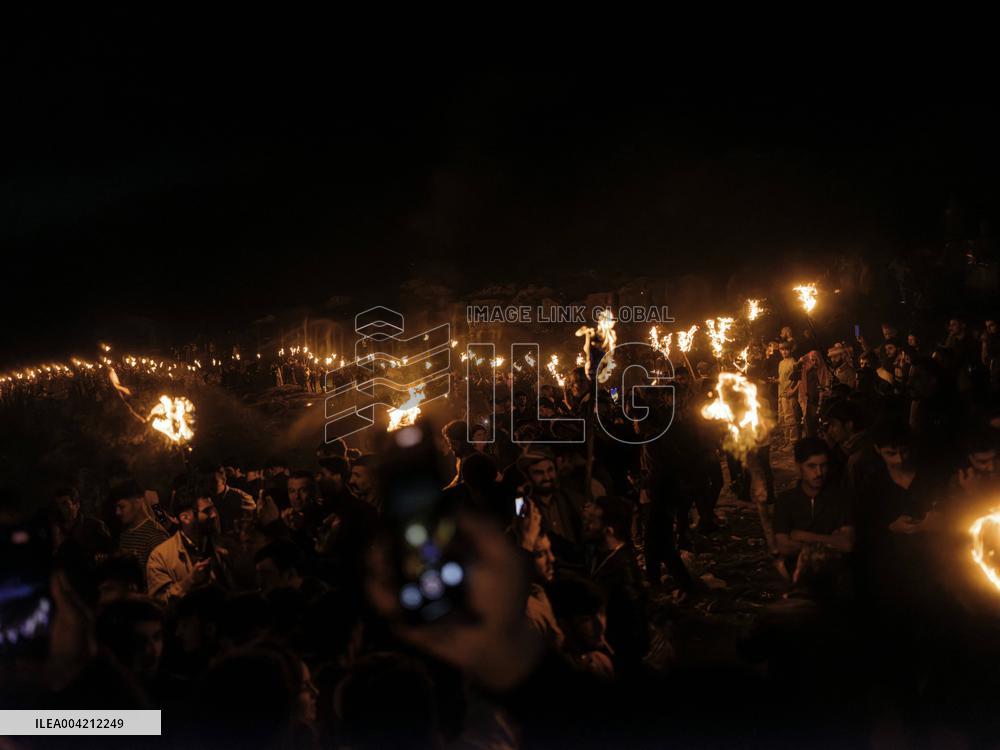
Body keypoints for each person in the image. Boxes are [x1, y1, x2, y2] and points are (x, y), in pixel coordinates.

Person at [773, 439, 854, 578]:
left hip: (834, 575)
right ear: (799, 467)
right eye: (811, 466)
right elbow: (784, 546)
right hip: (796, 575)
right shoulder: (785, 500)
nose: (819, 473)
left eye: (823, 465)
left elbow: (846, 544)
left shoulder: (840, 498)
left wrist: (803, 536)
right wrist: (829, 540)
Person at [146, 492, 231, 603]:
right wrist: (190, 581)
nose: (214, 515)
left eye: (213, 509)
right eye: (207, 511)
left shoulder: (224, 545)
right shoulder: (160, 556)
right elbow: (160, 602)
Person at [114, 481, 169, 582]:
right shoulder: (124, 532)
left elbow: (163, 521)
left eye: (122, 507)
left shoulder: (155, 536)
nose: (117, 512)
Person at [52, 485, 112, 558]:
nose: (61, 508)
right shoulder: (55, 527)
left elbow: (109, 553)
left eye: (65, 504)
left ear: (76, 505)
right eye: (58, 504)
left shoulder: (95, 526)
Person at [777, 342, 800, 446]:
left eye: (786, 349)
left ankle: (793, 442)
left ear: (790, 350)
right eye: (782, 350)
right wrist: (776, 380)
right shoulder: (781, 363)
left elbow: (798, 379)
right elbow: (783, 379)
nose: (784, 352)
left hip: (789, 396)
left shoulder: (793, 362)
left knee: (790, 419)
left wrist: (793, 391)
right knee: (783, 419)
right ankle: (786, 441)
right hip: (781, 394)